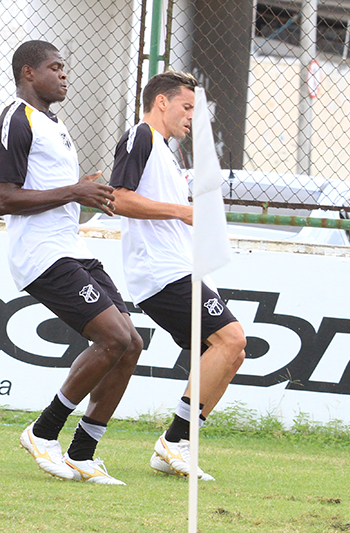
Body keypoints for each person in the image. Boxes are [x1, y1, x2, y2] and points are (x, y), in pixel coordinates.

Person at [0, 40, 143, 485]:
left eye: (63, 67)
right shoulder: (15, 119)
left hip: (71, 247)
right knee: (112, 337)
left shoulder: (53, 123)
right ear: (27, 73)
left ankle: (83, 452)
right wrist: (74, 192)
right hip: (41, 254)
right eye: (54, 68)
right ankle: (43, 432)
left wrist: (81, 190)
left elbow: (50, 190)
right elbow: (4, 198)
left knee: (131, 344)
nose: (63, 74)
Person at [109, 70, 246, 481]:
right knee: (232, 338)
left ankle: (177, 444)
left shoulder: (167, 151)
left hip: (180, 267)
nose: (191, 116)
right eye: (187, 107)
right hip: (160, 272)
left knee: (233, 352)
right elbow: (117, 198)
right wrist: (182, 211)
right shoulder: (141, 137)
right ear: (162, 102)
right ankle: (175, 441)